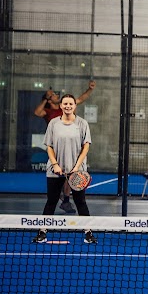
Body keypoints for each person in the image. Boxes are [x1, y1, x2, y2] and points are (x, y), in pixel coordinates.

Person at [32, 94, 97, 244]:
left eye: (70, 104)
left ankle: (88, 233)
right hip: (55, 170)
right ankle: (42, 232)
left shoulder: (82, 124)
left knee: (81, 202)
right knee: (51, 201)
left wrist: (76, 168)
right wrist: (55, 164)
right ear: (61, 106)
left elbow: (85, 147)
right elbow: (49, 146)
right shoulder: (53, 123)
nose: (68, 106)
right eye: (65, 104)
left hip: (77, 172)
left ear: (75, 106)